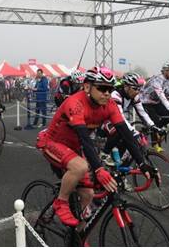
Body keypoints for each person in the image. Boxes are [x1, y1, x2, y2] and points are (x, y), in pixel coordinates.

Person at [36, 66, 155, 227]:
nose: (107, 93)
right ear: (87, 87)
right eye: (102, 88)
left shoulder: (110, 104)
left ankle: (78, 236)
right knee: (80, 167)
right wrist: (99, 170)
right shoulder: (75, 103)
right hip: (53, 143)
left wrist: (143, 164)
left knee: (88, 194)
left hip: (75, 148)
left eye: (110, 89)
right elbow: (85, 140)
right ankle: (60, 202)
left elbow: (126, 135)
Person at [100, 73, 164, 164]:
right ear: (126, 86)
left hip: (118, 120)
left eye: (139, 89)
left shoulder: (135, 97)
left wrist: (153, 126)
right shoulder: (115, 95)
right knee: (120, 131)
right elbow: (120, 118)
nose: (137, 91)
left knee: (128, 141)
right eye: (135, 88)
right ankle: (104, 153)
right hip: (106, 119)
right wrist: (134, 132)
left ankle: (118, 165)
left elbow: (142, 113)